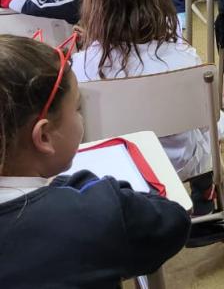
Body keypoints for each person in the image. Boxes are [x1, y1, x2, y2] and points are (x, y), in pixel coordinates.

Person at [72, 0, 224, 247]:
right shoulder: (183, 57)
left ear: (94, 8)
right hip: (183, 164)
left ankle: (137, 219)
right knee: (214, 126)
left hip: (116, 172)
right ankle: (202, 207)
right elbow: (210, 126)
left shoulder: (80, 67)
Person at [0, 34, 190, 286]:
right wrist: (79, 186)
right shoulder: (97, 212)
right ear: (44, 137)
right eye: (77, 108)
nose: (81, 117)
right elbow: (173, 222)